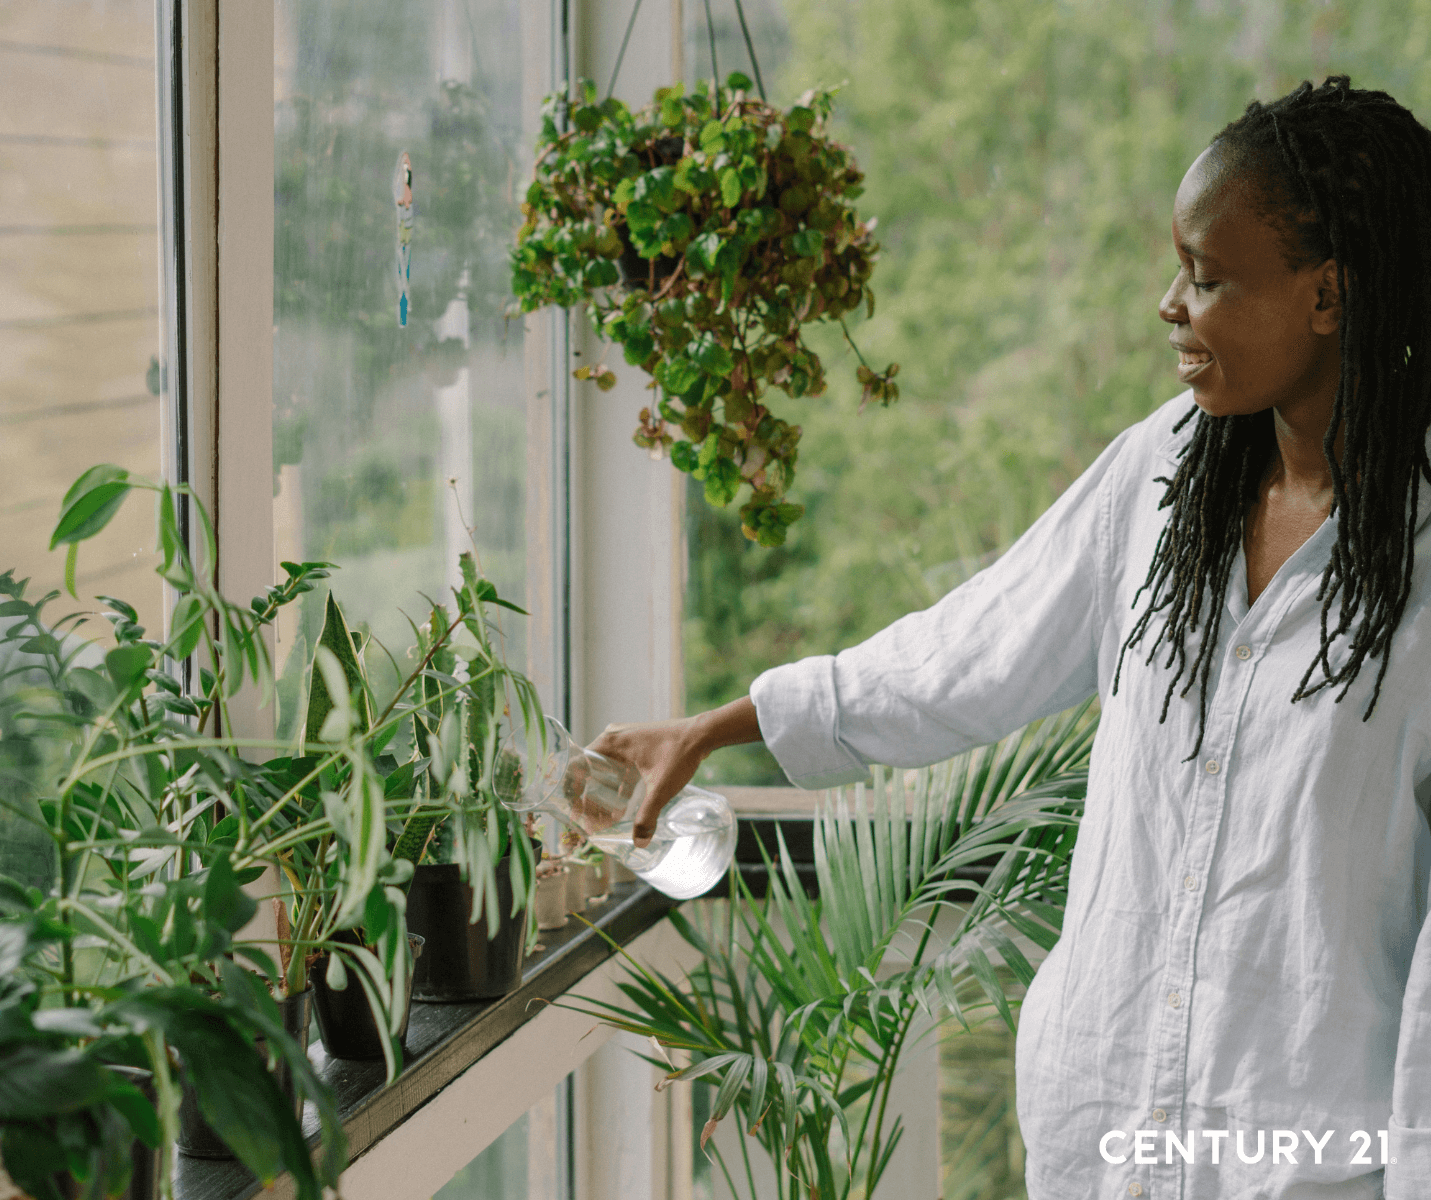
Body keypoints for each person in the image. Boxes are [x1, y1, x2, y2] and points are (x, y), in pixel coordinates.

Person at [587, 77, 1431, 1199]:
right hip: (1102, 1134)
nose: (1169, 306)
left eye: (1206, 275)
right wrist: (714, 727)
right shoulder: (1158, 477)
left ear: (1327, 295)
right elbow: (964, 656)